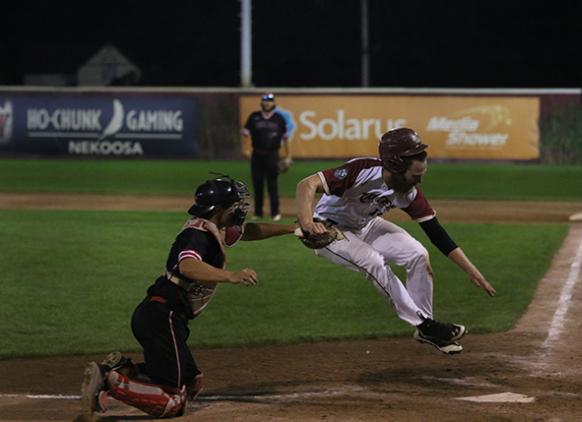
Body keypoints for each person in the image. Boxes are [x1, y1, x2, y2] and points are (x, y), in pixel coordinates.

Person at [80, 175, 296, 418]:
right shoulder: (198, 235)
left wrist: (291, 229)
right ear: (220, 209)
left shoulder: (214, 226)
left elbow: (250, 231)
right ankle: (109, 381)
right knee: (174, 403)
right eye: (235, 205)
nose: (240, 210)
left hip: (162, 315)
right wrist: (230, 275)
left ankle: (124, 371)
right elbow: (188, 266)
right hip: (163, 316)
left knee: (192, 382)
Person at [296, 127, 496, 355]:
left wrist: (471, 271)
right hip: (329, 230)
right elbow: (306, 184)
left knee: (418, 254)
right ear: (395, 166)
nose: (419, 180)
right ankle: (425, 326)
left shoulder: (409, 192)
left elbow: (436, 233)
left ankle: (426, 326)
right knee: (373, 262)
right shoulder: (362, 171)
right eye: (415, 175)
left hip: (365, 225)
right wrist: (306, 223)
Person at [241, 93, 290, 221]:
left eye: (270, 101)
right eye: (265, 101)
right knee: (257, 184)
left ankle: (275, 213)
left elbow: (285, 139)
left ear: (274, 103)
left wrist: (288, 155)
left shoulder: (279, 118)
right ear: (261, 103)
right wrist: (246, 149)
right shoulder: (254, 117)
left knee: (272, 184)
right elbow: (245, 134)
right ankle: (258, 213)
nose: (267, 103)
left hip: (273, 155)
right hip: (257, 154)